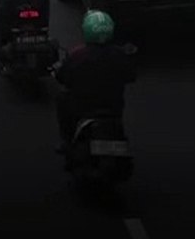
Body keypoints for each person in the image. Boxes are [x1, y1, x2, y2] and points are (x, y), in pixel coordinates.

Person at [53, 10, 138, 153]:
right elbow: (131, 76)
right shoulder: (119, 54)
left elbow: (63, 78)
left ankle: (66, 141)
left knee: (61, 97)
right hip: (113, 109)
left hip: (83, 109)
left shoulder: (77, 55)